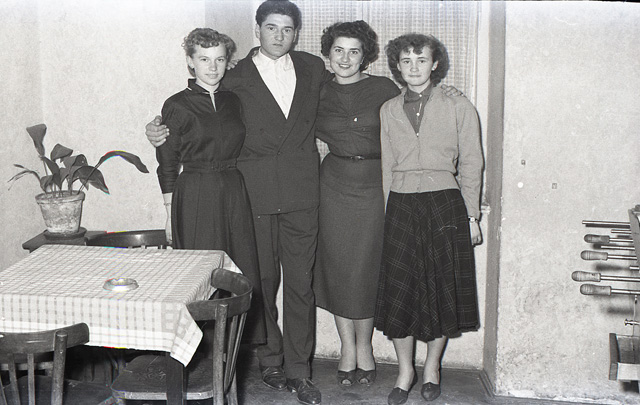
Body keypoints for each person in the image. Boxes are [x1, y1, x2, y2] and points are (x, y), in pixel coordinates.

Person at [147, 2, 330, 404]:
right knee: (260, 283)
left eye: (287, 29)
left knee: (301, 285)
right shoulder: (233, 77)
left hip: (302, 193)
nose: (279, 36)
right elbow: (198, 117)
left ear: (296, 33)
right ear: (257, 29)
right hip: (253, 195)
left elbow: (342, 99)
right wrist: (157, 130)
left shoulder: (314, 68)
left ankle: (300, 370)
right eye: (271, 27)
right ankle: (270, 360)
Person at [375, 33, 483, 405]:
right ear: (397, 66)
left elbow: (472, 162)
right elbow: (387, 166)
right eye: (406, 61)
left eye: (421, 60)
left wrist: (471, 216)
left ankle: (432, 367)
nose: (414, 67)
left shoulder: (458, 105)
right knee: (400, 289)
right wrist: (388, 211)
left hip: (444, 203)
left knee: (441, 287)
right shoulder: (388, 109)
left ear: (434, 64)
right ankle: (405, 371)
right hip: (402, 203)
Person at [155, 28, 265, 347]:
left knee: (239, 270)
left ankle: (232, 351)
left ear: (227, 61)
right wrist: (169, 213)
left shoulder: (234, 101)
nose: (213, 67)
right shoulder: (177, 105)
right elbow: (167, 162)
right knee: (201, 276)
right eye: (204, 59)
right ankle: (199, 353)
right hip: (195, 192)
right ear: (191, 62)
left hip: (233, 189)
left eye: (219, 59)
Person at [311, 20, 400, 387]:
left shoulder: (384, 89)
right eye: (338, 50)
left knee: (365, 269)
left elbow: (414, 119)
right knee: (338, 268)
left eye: (354, 51)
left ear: (365, 56)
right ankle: (347, 349)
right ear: (328, 54)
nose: (345, 59)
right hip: (332, 185)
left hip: (374, 185)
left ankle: (365, 347)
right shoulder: (316, 91)